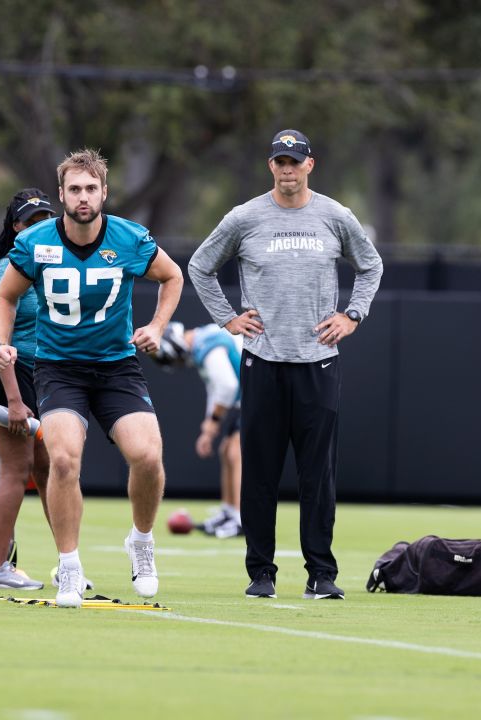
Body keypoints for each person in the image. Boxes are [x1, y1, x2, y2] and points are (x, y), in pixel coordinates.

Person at [187, 129, 383, 601]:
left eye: (295, 161)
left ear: (310, 164)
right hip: (262, 361)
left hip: (318, 363)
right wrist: (228, 319)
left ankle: (321, 574)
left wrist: (352, 314)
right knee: (259, 473)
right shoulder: (246, 217)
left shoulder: (335, 216)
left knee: (318, 474)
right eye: (280, 161)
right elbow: (200, 265)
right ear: (270, 166)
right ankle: (261, 573)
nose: (288, 169)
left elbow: (370, 265)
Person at [0, 149, 184, 608]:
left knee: (148, 456)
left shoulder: (129, 238)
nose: (82, 197)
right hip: (60, 368)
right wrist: (2, 341)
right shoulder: (36, 242)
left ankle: (141, 540)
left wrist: (156, 327)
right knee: (63, 459)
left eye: (90, 189)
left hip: (117, 365)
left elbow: (172, 276)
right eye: (74, 189)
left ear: (104, 193)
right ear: (61, 194)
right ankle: (70, 567)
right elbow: (5, 296)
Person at [0, 188, 57, 591]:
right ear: (16, 227)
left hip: (39, 373)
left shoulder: (56, 265)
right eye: (31, 222)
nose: (40, 228)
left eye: (46, 220)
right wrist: (16, 401)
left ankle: (68, 563)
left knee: (49, 469)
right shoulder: (9, 266)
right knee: (16, 468)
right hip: (8, 375)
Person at [148, 322, 244, 538]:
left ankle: (239, 518)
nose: (182, 362)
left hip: (260, 395)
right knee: (226, 450)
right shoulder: (205, 339)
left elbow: (227, 385)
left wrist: (214, 421)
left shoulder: (206, 342)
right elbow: (217, 388)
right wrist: (210, 428)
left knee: (235, 452)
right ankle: (229, 512)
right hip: (249, 397)